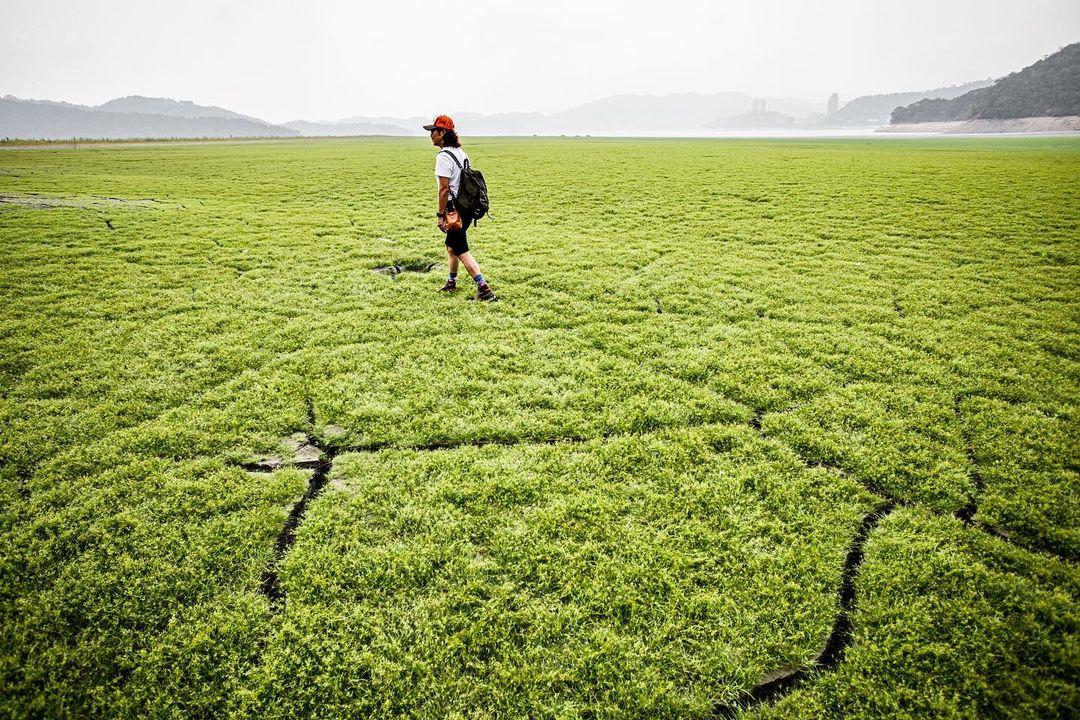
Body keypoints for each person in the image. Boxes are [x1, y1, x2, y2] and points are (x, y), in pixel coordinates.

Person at [423, 115, 496, 301]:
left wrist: (440, 215)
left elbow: (444, 189)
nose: (431, 135)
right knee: (451, 247)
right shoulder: (462, 153)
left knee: (461, 249)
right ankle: (451, 282)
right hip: (467, 207)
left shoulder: (443, 157)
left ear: (443, 133)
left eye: (434, 131)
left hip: (455, 211)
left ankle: (484, 288)